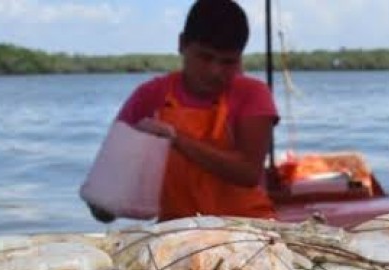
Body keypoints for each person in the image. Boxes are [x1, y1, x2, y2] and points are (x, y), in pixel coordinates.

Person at [113, 0, 279, 221]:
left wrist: (176, 138)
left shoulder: (253, 94)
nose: (214, 71)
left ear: (240, 57)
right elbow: (107, 193)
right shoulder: (148, 96)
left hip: (247, 230)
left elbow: (248, 172)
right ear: (182, 44)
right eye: (205, 57)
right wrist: (104, 202)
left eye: (228, 62)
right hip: (175, 233)